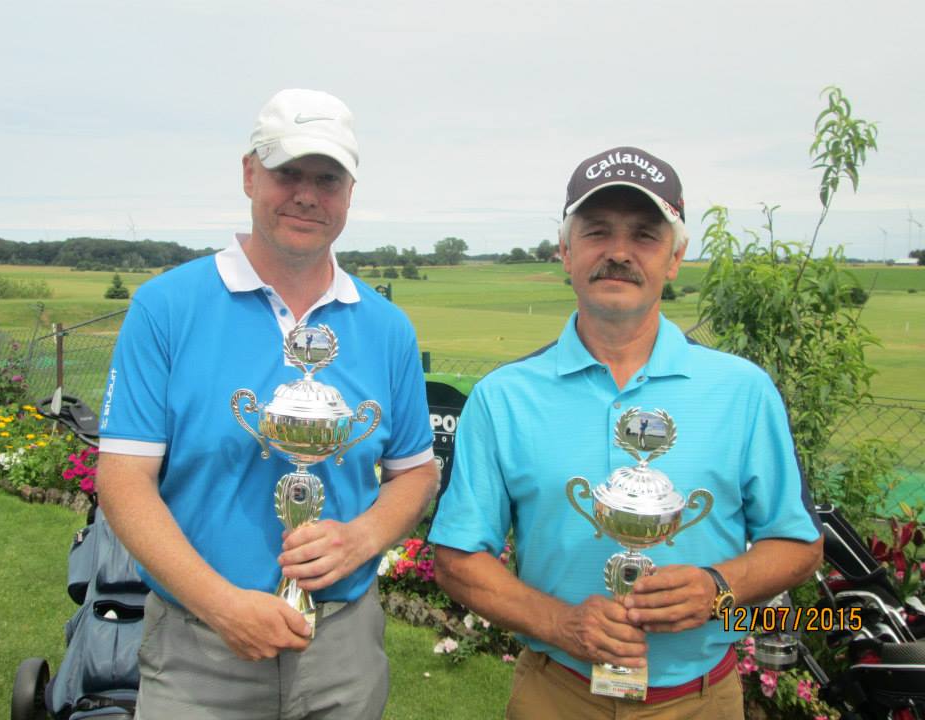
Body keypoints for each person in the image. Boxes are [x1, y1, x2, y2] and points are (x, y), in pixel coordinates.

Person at [430, 146, 823, 719]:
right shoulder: (504, 397)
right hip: (556, 696)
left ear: (675, 257)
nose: (618, 252)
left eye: (644, 235)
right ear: (566, 251)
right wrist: (560, 623)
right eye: (597, 232)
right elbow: (457, 557)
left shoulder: (743, 391)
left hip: (700, 701)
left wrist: (718, 587)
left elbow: (798, 546)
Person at [96, 88, 438, 719]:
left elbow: (415, 473)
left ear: (350, 193)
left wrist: (362, 537)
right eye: (288, 173)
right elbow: (123, 479)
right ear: (250, 173)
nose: (307, 195)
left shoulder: (387, 327)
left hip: (343, 648)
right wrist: (221, 605)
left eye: (327, 179)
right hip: (199, 648)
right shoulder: (166, 307)